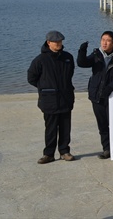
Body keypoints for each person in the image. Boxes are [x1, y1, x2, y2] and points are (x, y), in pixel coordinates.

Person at [77, 31, 113, 159]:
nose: (105, 42)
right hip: (96, 95)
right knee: (102, 124)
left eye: (108, 40)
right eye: (103, 39)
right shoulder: (96, 54)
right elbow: (82, 63)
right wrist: (82, 51)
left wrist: (110, 88)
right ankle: (107, 149)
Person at [28, 31, 76, 164]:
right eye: (56, 42)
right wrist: (44, 88)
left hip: (65, 97)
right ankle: (48, 154)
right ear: (49, 43)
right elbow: (31, 78)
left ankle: (64, 151)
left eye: (60, 41)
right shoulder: (40, 60)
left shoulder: (68, 57)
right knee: (51, 128)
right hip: (49, 100)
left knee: (65, 127)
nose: (59, 44)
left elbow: (70, 73)